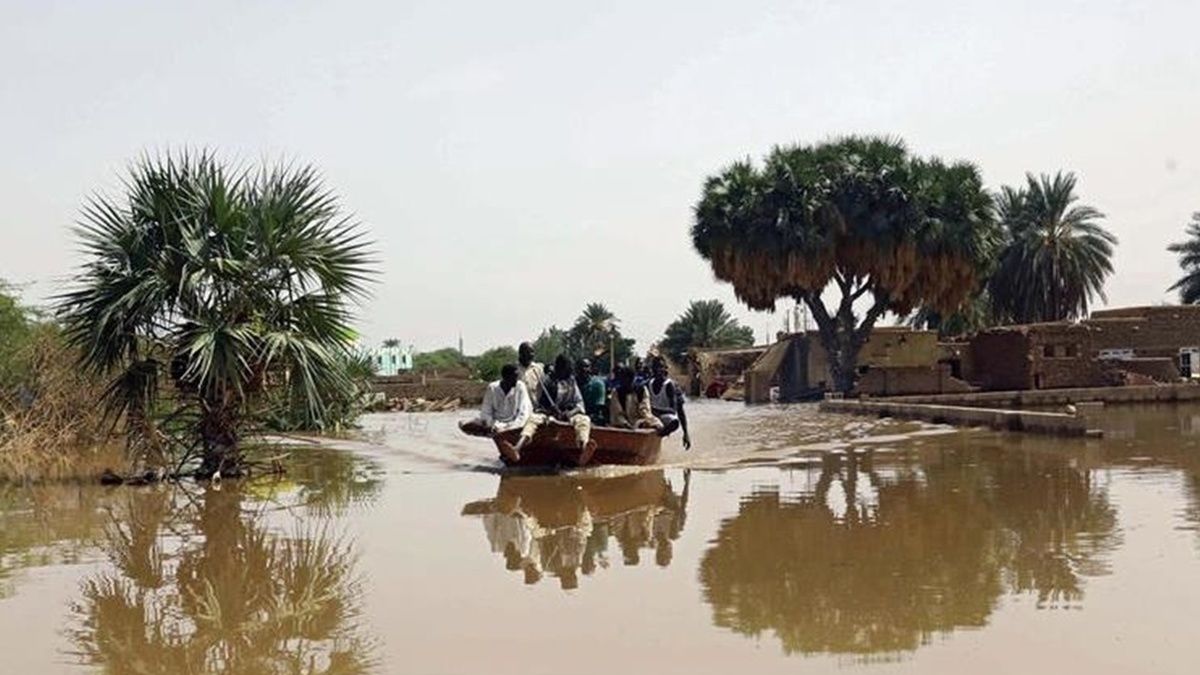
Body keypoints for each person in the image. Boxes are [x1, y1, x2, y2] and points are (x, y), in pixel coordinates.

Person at [510, 354, 596, 465]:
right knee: (533, 419)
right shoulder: (548, 381)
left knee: (584, 420)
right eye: (565, 367)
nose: (569, 370)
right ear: (559, 368)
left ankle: (584, 447)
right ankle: (517, 447)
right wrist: (551, 410)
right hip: (550, 415)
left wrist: (569, 413)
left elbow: (579, 403)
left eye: (568, 367)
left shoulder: (571, 381)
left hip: (568, 414)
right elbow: (540, 406)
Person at [459, 364, 532, 454]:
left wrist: (510, 428)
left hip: (515, 424)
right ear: (506, 377)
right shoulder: (492, 388)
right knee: (468, 424)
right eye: (514, 377)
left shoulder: (520, 386)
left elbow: (524, 412)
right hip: (495, 424)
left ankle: (514, 449)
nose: (517, 380)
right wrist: (493, 425)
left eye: (517, 377)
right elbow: (486, 412)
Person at [647, 356, 691, 449]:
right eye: (656, 367)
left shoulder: (671, 386)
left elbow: (677, 410)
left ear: (665, 369)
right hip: (651, 416)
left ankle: (658, 436)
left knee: (674, 422)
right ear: (652, 369)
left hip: (664, 417)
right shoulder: (648, 384)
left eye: (661, 367)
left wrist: (685, 434)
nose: (659, 370)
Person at [608, 365, 661, 430]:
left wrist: (648, 421)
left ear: (633, 379)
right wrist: (626, 424)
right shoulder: (617, 393)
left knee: (656, 424)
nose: (627, 382)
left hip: (640, 421)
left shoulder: (642, 390)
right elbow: (617, 414)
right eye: (624, 379)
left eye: (629, 379)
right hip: (623, 424)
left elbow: (645, 410)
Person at [575, 358, 608, 426]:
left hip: (592, 417)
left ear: (590, 369)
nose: (584, 369)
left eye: (586, 366)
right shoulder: (572, 383)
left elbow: (598, 408)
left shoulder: (597, 384)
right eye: (581, 367)